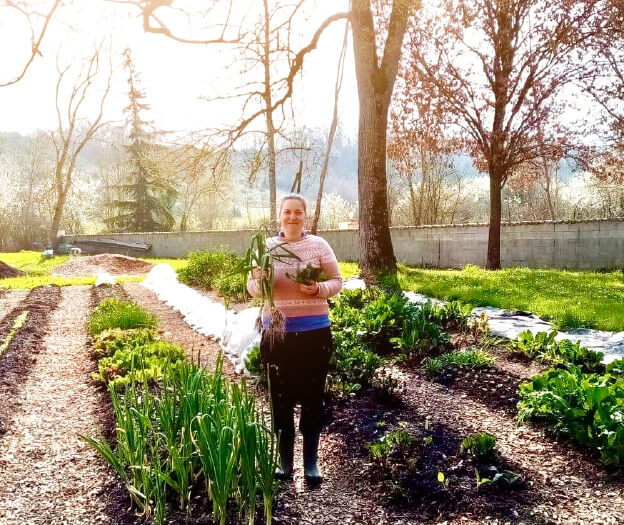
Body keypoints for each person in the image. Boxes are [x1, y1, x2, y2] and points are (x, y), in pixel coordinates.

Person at [247, 194, 343, 485]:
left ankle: (311, 463)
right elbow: (252, 289)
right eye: (287, 212)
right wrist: (260, 281)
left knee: (313, 396)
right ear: (279, 216)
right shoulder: (265, 248)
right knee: (280, 398)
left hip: (315, 333)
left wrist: (318, 289)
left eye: (297, 212)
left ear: (305, 216)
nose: (292, 217)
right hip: (277, 335)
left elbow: (337, 281)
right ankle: (285, 462)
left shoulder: (319, 245)